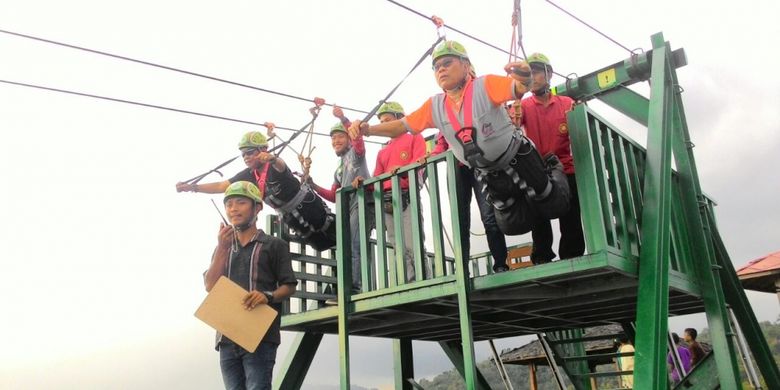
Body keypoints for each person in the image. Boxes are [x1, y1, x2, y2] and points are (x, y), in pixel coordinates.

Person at [348, 40, 570, 241]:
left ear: (466, 66)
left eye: (447, 62)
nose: (441, 69)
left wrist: (525, 77)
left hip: (517, 158)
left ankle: (552, 167)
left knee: (553, 203)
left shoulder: (485, 86)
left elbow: (518, 88)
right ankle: (533, 209)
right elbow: (401, 125)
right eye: (436, 67)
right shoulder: (434, 106)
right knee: (513, 225)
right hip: (490, 172)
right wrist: (368, 129)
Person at [204, 181, 297, 390]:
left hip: (260, 336)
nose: (233, 209)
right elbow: (210, 286)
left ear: (257, 207)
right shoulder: (223, 247)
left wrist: (267, 296)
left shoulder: (274, 245)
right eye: (229, 204)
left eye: (241, 202)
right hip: (227, 337)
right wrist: (221, 248)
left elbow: (289, 286)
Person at [176, 131, 336, 251]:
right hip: (290, 216)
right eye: (243, 154)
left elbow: (281, 165)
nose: (246, 157)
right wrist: (193, 187)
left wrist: (272, 158)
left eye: (250, 152)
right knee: (319, 244)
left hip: (307, 206)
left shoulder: (273, 165)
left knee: (332, 230)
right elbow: (221, 186)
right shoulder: (249, 175)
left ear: (262, 150)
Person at [515, 53, 585, 265]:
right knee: (538, 213)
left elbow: (580, 130)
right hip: (537, 168)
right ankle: (542, 257)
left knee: (571, 213)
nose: (533, 77)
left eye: (536, 72)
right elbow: (513, 127)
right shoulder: (524, 105)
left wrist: (581, 112)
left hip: (566, 166)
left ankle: (572, 255)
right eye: (529, 73)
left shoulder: (566, 103)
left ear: (549, 74)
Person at [352, 102, 429, 282]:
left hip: (407, 194)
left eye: (387, 121)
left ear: (399, 118)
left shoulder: (414, 137)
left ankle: (423, 281)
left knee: (412, 241)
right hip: (387, 200)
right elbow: (376, 178)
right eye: (381, 122)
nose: (384, 125)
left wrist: (401, 169)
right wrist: (363, 181)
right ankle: (407, 282)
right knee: (397, 244)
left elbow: (420, 164)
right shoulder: (382, 151)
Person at [310, 105, 374, 295]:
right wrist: (313, 186)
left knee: (354, 244)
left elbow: (358, 140)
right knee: (346, 245)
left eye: (340, 137)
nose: (335, 141)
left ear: (348, 138)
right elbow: (333, 195)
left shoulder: (355, 153)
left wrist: (344, 119)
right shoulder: (338, 169)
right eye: (333, 138)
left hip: (362, 202)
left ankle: (354, 287)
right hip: (347, 206)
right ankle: (347, 283)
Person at [426, 130, 509, 273]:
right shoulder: (444, 120)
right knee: (460, 222)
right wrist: (431, 156)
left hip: (480, 165)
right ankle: (462, 268)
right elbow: (441, 145)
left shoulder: (472, 111)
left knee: (489, 217)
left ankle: (500, 263)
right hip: (457, 169)